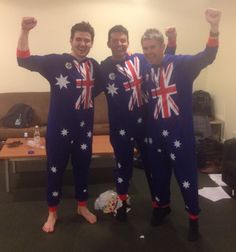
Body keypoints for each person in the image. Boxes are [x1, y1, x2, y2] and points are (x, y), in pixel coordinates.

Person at [141, 8, 221, 241]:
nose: (148, 52)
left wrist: (214, 28)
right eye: (145, 48)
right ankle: (161, 207)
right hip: (155, 134)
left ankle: (193, 219)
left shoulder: (182, 65)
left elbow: (207, 56)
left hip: (180, 134)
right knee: (158, 174)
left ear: (162, 47)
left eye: (152, 47)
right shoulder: (146, 69)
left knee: (186, 176)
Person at [17, 17, 101, 233]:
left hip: (84, 130)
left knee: (83, 168)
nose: (83, 44)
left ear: (92, 43)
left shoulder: (94, 66)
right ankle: (52, 211)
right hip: (58, 130)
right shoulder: (56, 62)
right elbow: (23, 60)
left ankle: (82, 206)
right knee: (55, 170)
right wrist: (25, 31)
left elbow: (112, 82)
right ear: (71, 40)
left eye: (87, 40)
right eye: (79, 39)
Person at [99, 25, 176, 221]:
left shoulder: (140, 59)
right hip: (120, 127)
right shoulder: (103, 68)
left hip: (145, 124)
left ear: (128, 41)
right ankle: (122, 203)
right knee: (122, 166)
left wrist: (172, 41)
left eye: (123, 40)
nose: (119, 44)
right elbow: (86, 91)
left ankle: (159, 204)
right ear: (108, 43)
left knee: (152, 165)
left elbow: (164, 61)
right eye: (115, 40)